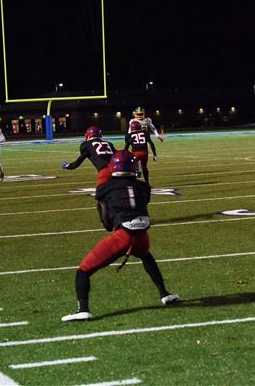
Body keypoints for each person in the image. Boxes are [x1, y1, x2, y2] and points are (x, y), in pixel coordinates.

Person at [62, 150, 179, 322]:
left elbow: (103, 207)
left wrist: (109, 224)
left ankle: (83, 309)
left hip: (123, 235)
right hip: (142, 235)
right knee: (146, 256)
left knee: (83, 271)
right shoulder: (144, 187)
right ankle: (164, 293)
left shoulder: (105, 187)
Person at [125, 120, 157, 184]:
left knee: (132, 168)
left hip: (135, 154)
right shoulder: (145, 133)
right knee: (144, 167)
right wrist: (154, 154)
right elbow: (151, 143)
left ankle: (134, 182)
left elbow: (126, 148)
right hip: (144, 153)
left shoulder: (128, 135)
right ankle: (147, 183)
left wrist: (125, 156)